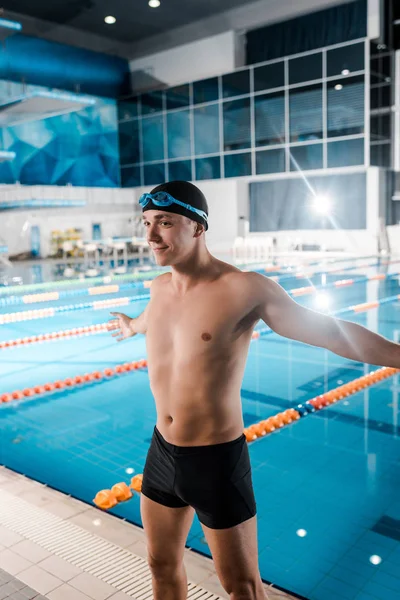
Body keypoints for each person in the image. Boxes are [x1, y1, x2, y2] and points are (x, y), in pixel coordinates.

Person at [108, 180, 400, 600]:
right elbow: (152, 319)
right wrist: (130, 325)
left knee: (241, 587)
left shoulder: (244, 289)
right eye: (148, 223)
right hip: (162, 453)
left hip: (214, 460)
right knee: (160, 563)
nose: (151, 236)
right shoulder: (158, 288)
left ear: (198, 228)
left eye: (165, 223)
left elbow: (334, 335)